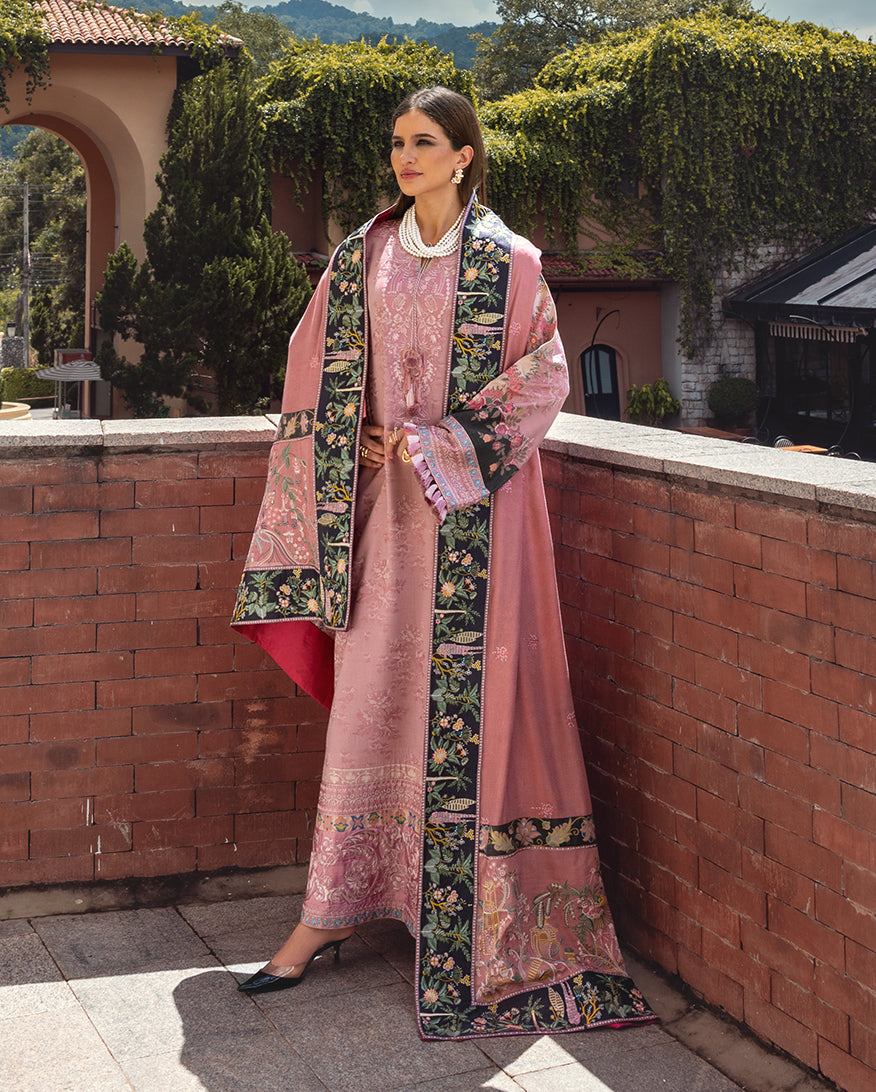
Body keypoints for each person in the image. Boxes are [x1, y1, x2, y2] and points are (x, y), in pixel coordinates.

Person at [231, 86, 652, 1040]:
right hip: (386, 519)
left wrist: (437, 443)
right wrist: (357, 434)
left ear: (465, 155)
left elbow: (545, 376)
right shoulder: (365, 255)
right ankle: (331, 910)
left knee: (476, 706)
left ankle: (471, 920)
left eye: (424, 142)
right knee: (376, 692)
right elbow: (314, 363)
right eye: (397, 142)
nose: (405, 157)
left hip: (479, 522)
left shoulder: (513, 263)